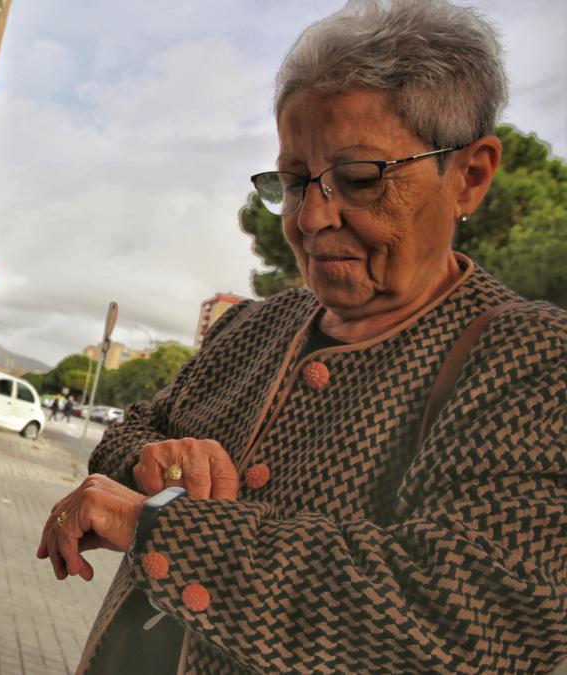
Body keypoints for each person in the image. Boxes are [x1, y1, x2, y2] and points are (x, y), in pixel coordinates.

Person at [36, 1, 566, 672]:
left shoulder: (533, 361)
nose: (311, 216)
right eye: (293, 181)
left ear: (470, 174)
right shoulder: (253, 326)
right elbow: (127, 432)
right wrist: (151, 460)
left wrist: (161, 528)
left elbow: (476, 622)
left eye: (360, 178)